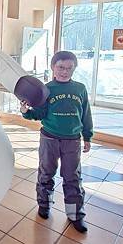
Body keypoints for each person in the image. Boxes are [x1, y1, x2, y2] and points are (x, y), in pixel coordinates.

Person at [20, 51, 93, 233]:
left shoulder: (80, 89)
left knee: (72, 178)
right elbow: (39, 113)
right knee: (46, 173)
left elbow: (86, 115)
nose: (64, 71)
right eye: (61, 67)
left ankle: (75, 215)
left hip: (72, 141)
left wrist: (88, 136)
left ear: (74, 69)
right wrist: (26, 111)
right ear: (53, 67)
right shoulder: (45, 89)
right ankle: (44, 205)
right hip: (49, 139)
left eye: (69, 68)